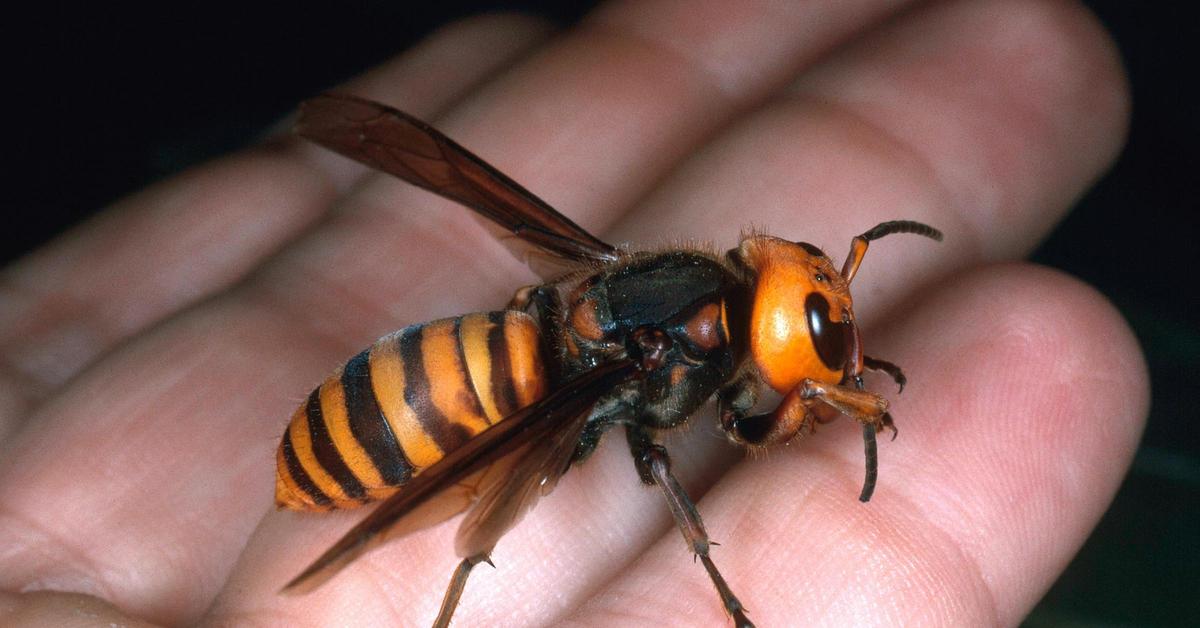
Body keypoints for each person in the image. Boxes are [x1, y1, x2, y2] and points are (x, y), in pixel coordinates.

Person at [0, 1, 1145, 626]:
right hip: (424, 412)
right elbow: (734, 428)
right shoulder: (675, 350)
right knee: (522, 480)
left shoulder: (673, 299)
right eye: (818, 337)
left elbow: (753, 408)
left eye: (821, 319)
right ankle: (453, 596)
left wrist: (826, 388)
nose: (817, 349)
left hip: (490, 347)